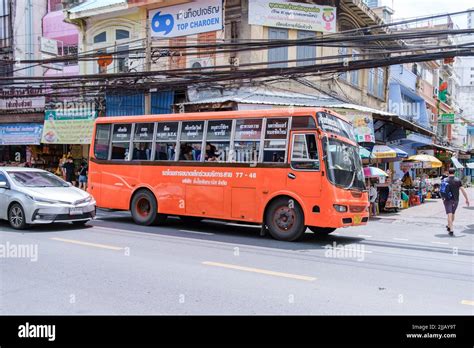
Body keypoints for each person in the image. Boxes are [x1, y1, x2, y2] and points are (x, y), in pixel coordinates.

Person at [443, 168, 470, 236]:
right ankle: (449, 226)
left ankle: (451, 229)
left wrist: (442, 198)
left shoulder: (445, 180)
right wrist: (466, 199)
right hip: (456, 200)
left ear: (448, 172)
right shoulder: (458, 180)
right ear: (454, 173)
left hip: (447, 199)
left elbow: (442, 190)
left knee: (449, 214)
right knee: (453, 213)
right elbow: (463, 190)